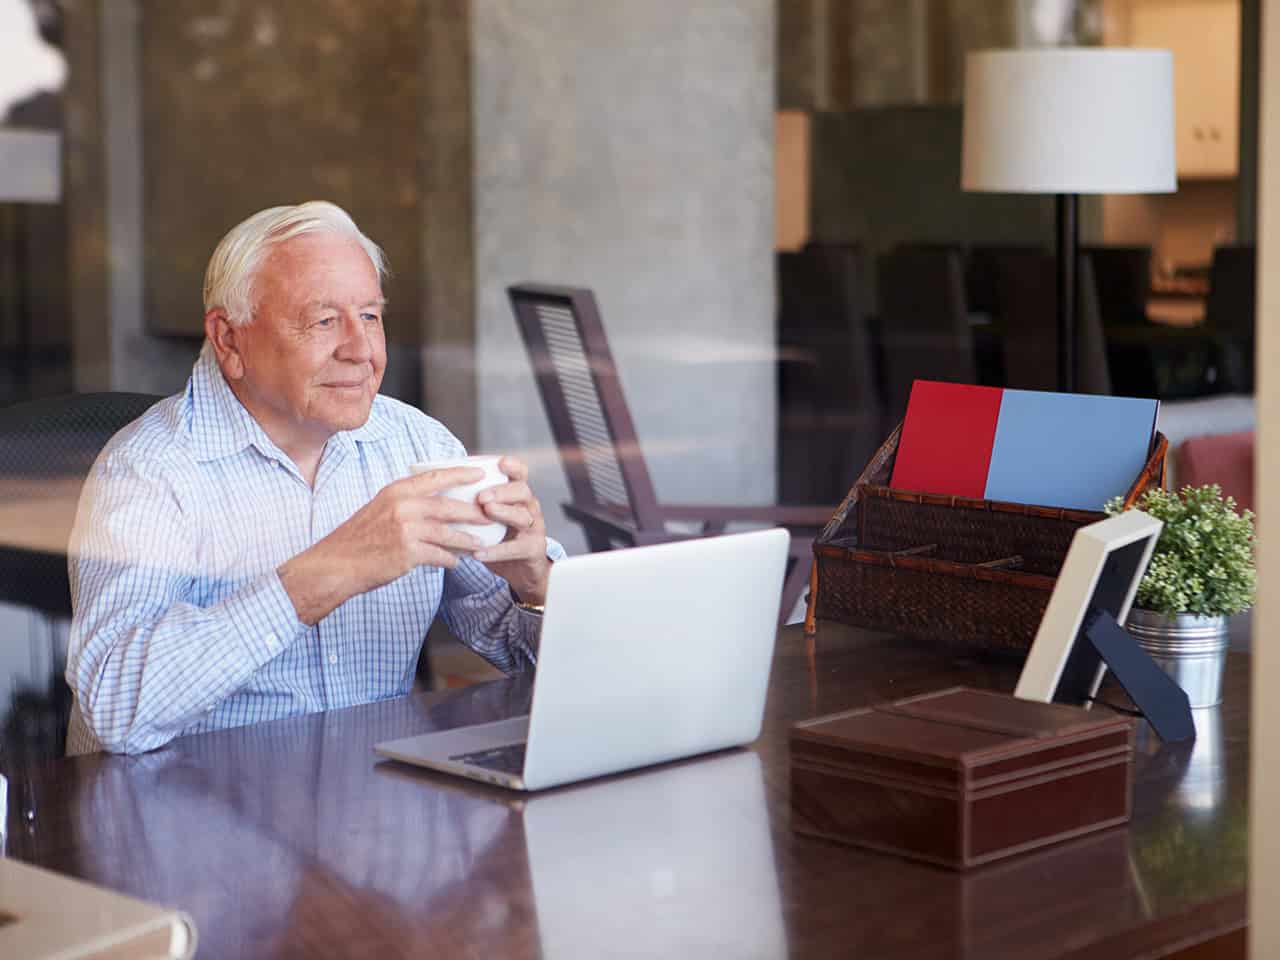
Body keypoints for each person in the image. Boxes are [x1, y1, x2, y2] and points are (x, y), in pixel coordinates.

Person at [64, 201, 564, 755]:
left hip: (369, 803)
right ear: (229, 340)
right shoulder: (149, 469)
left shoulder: (417, 445)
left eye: (370, 317)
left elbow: (531, 660)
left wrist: (535, 585)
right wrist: (328, 572)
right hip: (191, 813)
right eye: (324, 321)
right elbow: (112, 707)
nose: (360, 350)